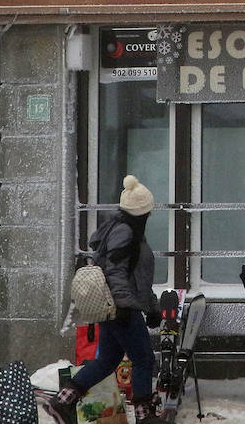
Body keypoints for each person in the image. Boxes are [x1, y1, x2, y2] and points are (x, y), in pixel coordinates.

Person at [44, 175, 161, 424]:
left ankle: (63, 401)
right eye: (148, 211)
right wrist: (123, 306)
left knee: (107, 361)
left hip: (116, 308)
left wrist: (152, 306)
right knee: (144, 359)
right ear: (141, 212)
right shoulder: (125, 232)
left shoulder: (126, 230)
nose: (150, 215)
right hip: (120, 309)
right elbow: (115, 271)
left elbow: (137, 277)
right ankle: (144, 416)